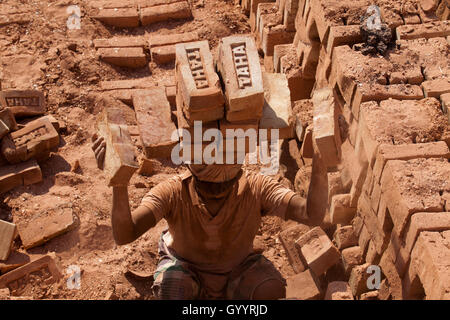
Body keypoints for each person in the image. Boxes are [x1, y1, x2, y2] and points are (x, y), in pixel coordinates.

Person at [92, 135, 323, 300]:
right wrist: (119, 183)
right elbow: (125, 234)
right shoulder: (172, 191)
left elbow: (310, 214)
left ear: (238, 173)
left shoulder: (257, 187)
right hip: (186, 269)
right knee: (172, 288)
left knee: (270, 288)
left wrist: (322, 163)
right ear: (192, 172)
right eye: (207, 185)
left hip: (236, 269)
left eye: (225, 183)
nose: (216, 192)